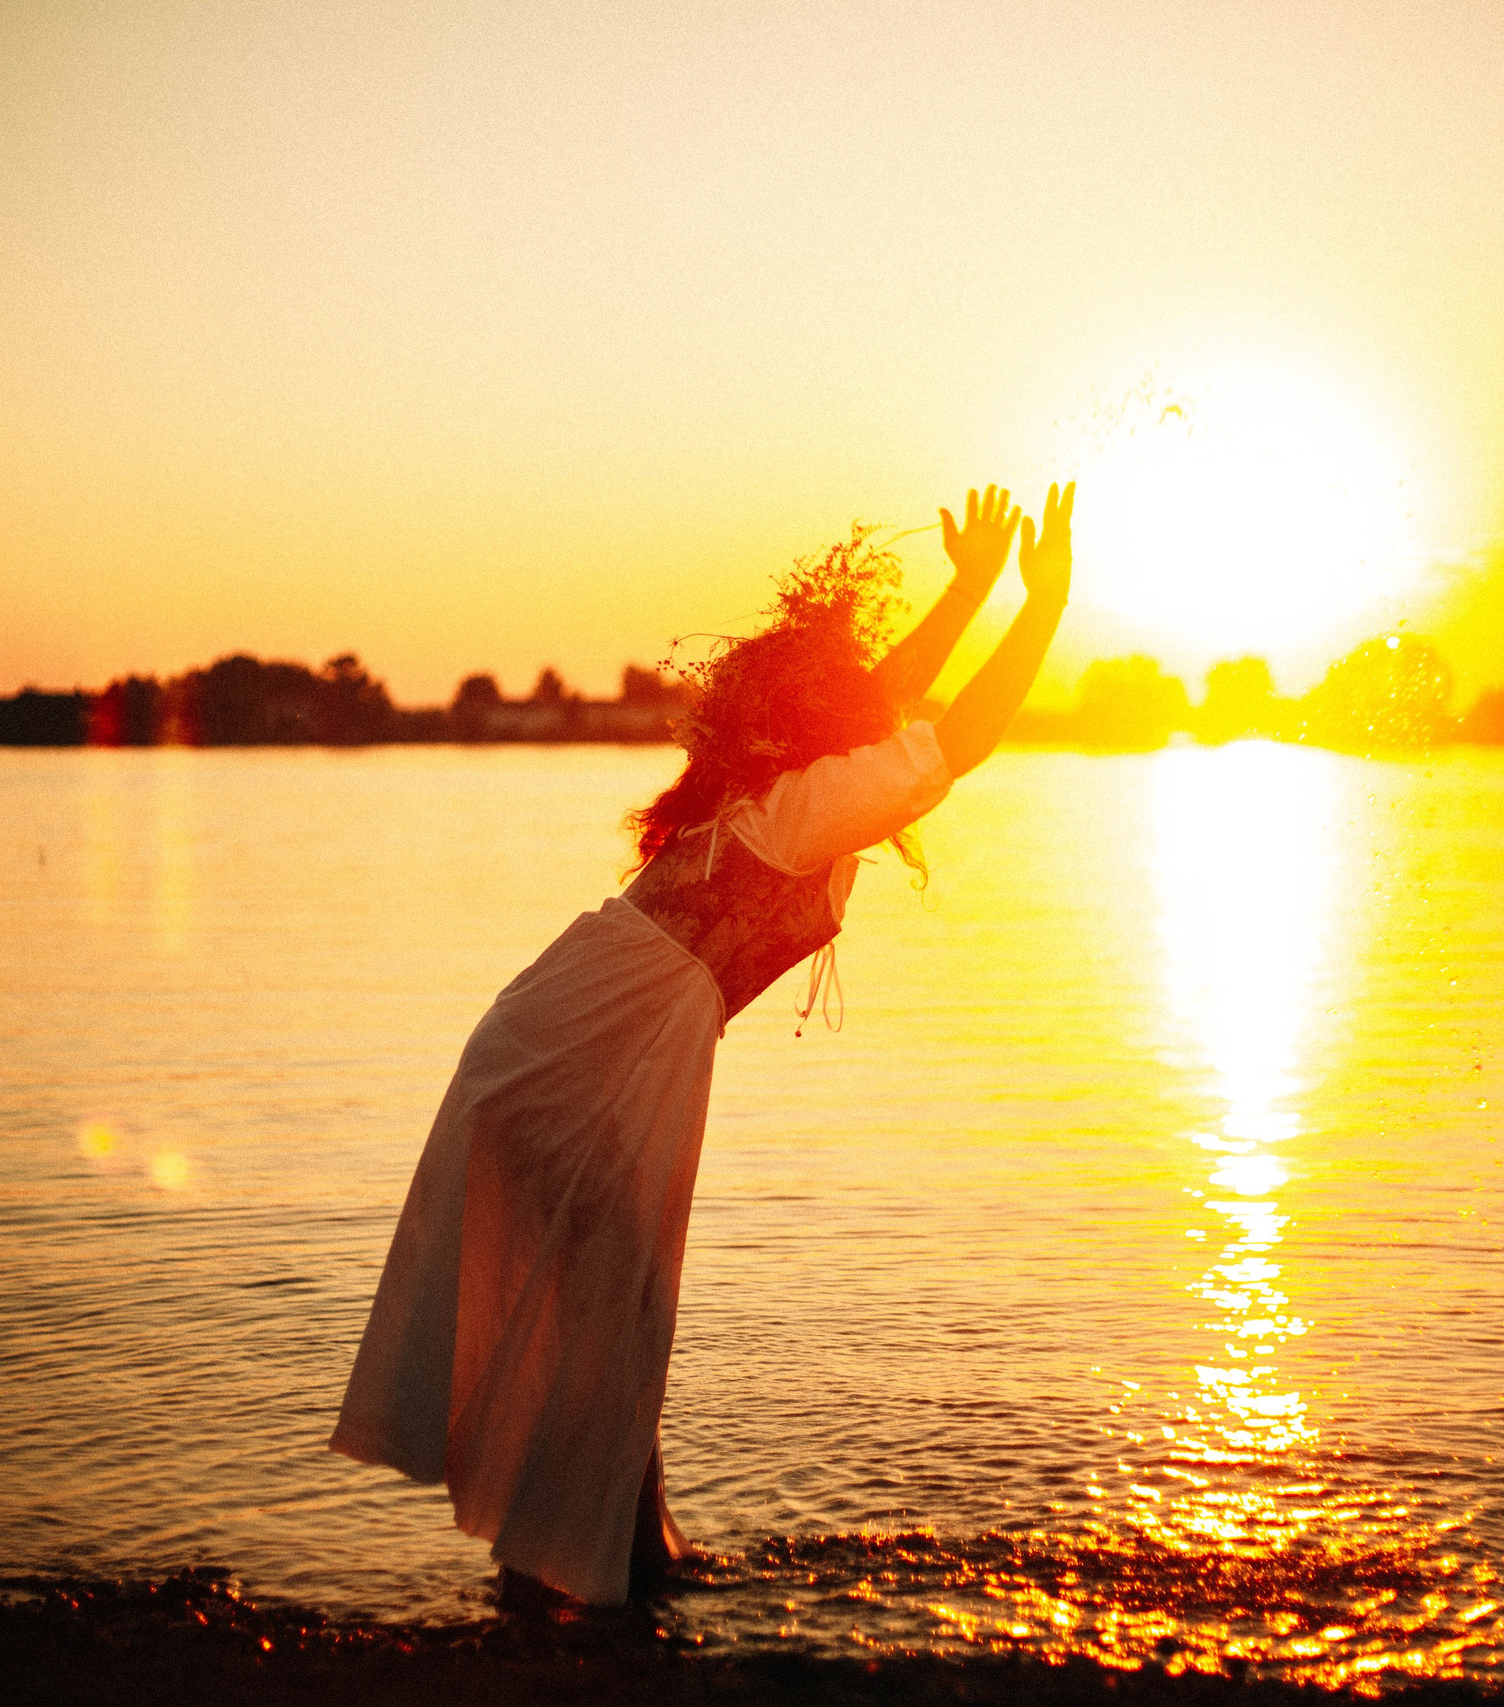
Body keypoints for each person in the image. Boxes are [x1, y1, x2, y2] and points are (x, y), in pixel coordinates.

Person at [328, 481, 1075, 1605]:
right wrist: (1041, 610)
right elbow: (953, 739)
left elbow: (886, 701)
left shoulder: (783, 792)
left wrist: (969, 589)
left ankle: (619, 1551)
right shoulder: (801, 807)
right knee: (616, 1303)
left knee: (613, 1307)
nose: (872, 704)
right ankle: (585, 1568)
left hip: (581, 1027)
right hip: (593, 1045)